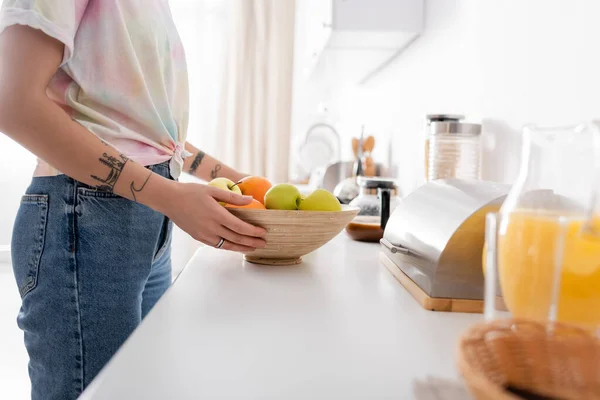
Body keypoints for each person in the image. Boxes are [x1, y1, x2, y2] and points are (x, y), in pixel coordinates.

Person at [0, 1, 267, 399]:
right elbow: (12, 103)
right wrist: (168, 197)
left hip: (144, 214)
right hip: (88, 217)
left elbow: (140, 129)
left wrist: (234, 179)